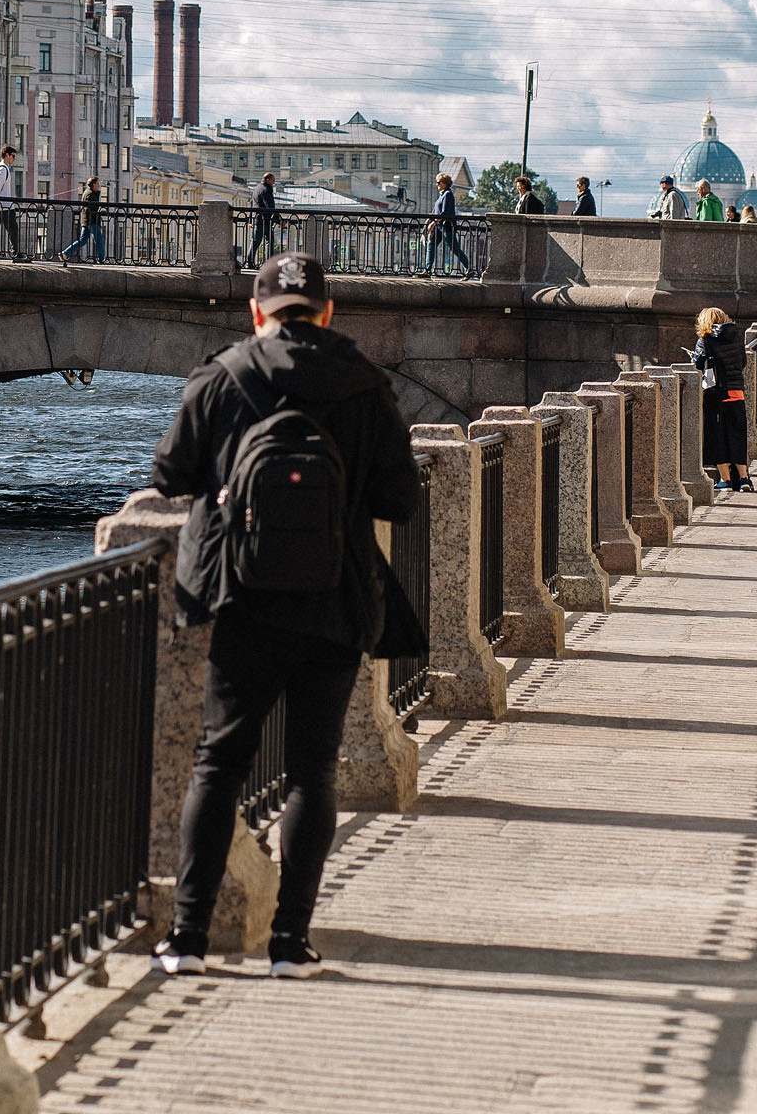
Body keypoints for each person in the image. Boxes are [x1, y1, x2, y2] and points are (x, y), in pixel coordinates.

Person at [150, 251, 418, 980]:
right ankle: (290, 945)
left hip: (242, 598)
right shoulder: (365, 383)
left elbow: (169, 474)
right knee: (312, 773)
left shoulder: (225, 374)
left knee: (220, 760)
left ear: (257, 311)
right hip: (336, 597)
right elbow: (401, 499)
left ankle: (187, 940)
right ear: (328, 312)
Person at [692, 305, 753, 492]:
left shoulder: (705, 340)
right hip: (736, 392)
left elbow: (698, 364)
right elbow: (743, 362)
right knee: (737, 435)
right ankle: (744, 479)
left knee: (717, 436)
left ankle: (725, 480)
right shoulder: (736, 338)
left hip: (716, 394)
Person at [424, 172, 471, 277]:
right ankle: (427, 270)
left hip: (447, 226)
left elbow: (444, 213)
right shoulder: (442, 195)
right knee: (431, 245)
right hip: (440, 226)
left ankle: (469, 268)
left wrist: (434, 222)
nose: (437, 184)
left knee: (454, 248)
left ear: (444, 183)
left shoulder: (448, 194)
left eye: (438, 182)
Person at [60, 175, 107, 263]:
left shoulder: (88, 192)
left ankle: (65, 253)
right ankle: (101, 259)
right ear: (93, 185)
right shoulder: (89, 194)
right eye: (97, 184)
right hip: (92, 220)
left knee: (82, 240)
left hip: (86, 220)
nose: (98, 186)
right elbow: (92, 207)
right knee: (99, 240)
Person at [246, 171, 278, 268]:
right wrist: (278, 219)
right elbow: (270, 206)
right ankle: (268, 264)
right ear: (267, 179)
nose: (273, 183)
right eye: (273, 180)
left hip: (258, 219)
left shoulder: (257, 188)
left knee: (256, 241)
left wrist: (251, 220)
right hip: (265, 220)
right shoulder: (266, 189)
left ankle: (250, 263)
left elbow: (253, 205)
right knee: (266, 242)